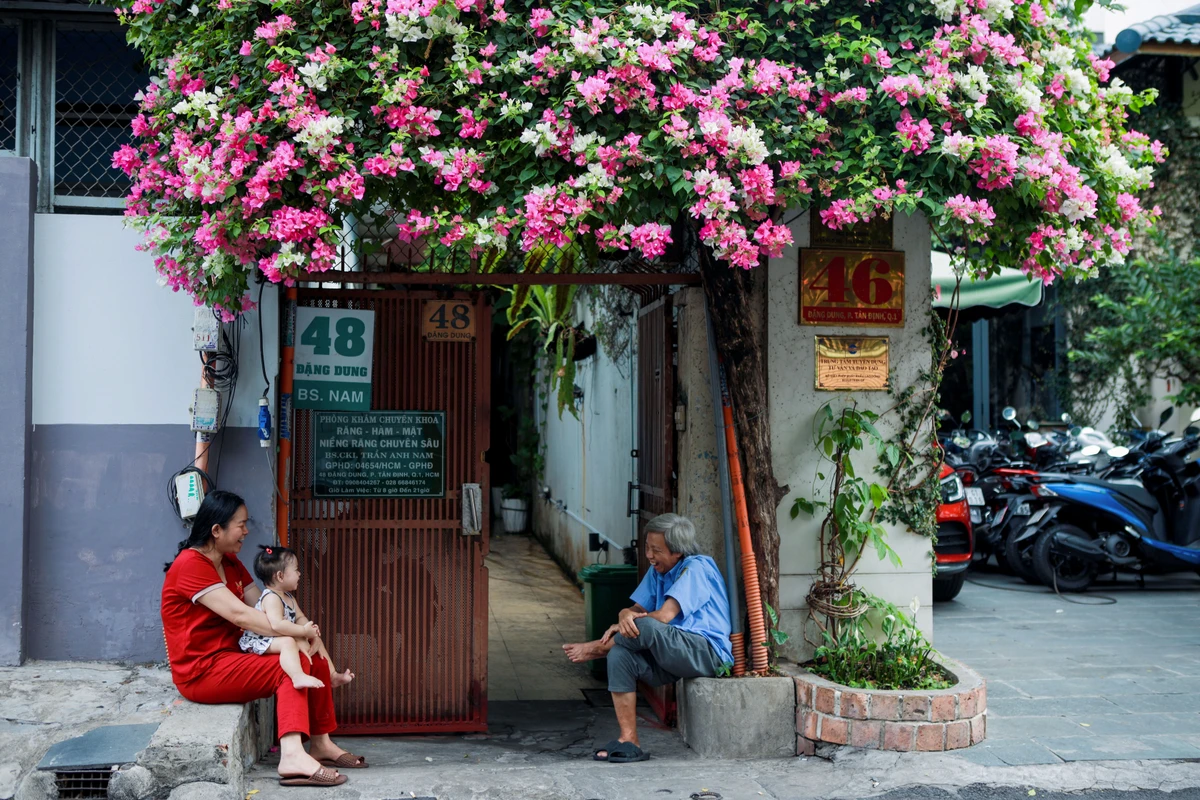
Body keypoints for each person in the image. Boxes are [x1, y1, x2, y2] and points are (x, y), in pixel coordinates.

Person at [161, 490, 368, 788]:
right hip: (202, 670)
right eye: (241, 524)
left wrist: (305, 632)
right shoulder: (191, 565)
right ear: (216, 530)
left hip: (235, 655)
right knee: (290, 664)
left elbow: (266, 605)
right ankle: (292, 756)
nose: (246, 531)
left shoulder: (230, 562)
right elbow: (242, 617)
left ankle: (321, 742)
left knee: (313, 654)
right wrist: (295, 632)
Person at [563, 513, 733, 763]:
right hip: (674, 653)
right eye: (647, 548)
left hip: (706, 652)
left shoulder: (697, 567)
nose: (649, 556)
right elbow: (635, 611)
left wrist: (624, 624)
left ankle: (597, 649)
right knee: (621, 655)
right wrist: (623, 614)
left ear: (678, 551)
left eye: (656, 550)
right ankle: (629, 739)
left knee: (649, 627)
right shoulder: (658, 572)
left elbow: (663, 616)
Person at [238, 545, 355, 692]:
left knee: (316, 640)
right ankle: (297, 675)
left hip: (276, 637)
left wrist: (309, 628)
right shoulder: (271, 598)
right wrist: (303, 631)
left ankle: (332, 675)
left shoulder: (288, 597)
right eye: (296, 570)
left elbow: (300, 617)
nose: (299, 574)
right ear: (280, 576)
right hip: (260, 640)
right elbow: (277, 625)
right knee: (288, 642)